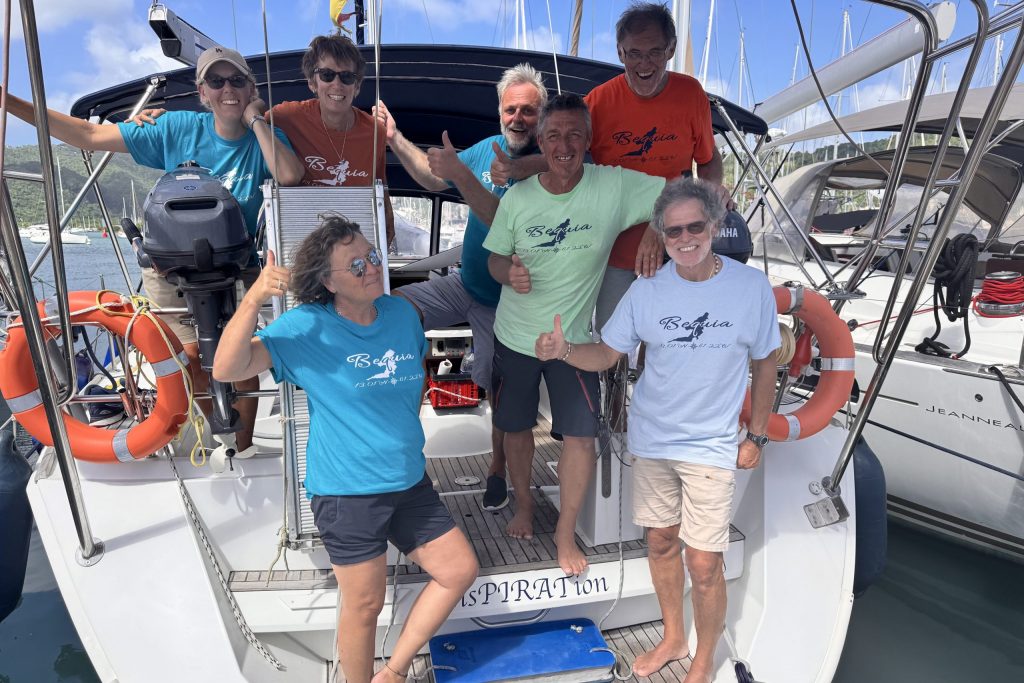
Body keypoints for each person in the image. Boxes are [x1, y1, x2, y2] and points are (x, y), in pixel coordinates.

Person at [212, 215, 477, 683]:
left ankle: (393, 672)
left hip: (408, 482)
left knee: (458, 570)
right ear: (328, 282)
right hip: (347, 492)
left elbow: (412, 379)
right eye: (356, 265)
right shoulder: (305, 327)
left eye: (372, 256)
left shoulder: (400, 313)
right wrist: (253, 299)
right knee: (365, 604)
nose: (372, 268)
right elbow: (227, 369)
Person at [535, 178, 780, 682]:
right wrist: (564, 351)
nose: (685, 239)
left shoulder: (750, 288)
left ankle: (703, 659)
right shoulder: (647, 290)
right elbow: (608, 354)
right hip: (652, 441)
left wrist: (756, 436)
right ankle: (673, 637)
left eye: (695, 227)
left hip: (711, 446)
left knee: (705, 563)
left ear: (714, 226)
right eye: (673, 231)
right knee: (661, 542)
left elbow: (766, 363)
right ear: (661, 235)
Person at [4, 47, 305, 453]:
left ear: (251, 88)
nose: (227, 90)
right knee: (190, 358)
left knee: (240, 354)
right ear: (202, 92)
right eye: (216, 82)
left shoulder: (265, 138)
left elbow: (290, 174)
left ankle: (243, 444)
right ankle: (220, 438)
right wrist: (9, 102)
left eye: (237, 81)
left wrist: (255, 120)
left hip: (237, 264)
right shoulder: (176, 128)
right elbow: (87, 136)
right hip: (171, 268)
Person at [484, 93, 666, 576]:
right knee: (516, 428)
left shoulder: (614, 186)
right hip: (516, 337)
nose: (563, 146)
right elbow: (494, 258)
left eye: (573, 136)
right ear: (541, 142)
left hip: (574, 343)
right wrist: (508, 273)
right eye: (553, 136)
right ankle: (525, 506)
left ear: (588, 141)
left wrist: (655, 229)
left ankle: (565, 533)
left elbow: (676, 192)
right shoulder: (518, 198)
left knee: (581, 437)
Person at [372, 63, 548, 512]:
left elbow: (504, 223)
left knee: (498, 390)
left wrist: (512, 169)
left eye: (528, 110)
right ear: (499, 111)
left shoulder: (555, 167)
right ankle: (400, 428)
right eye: (511, 109)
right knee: (388, 308)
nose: (518, 118)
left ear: (542, 115)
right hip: (463, 283)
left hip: (506, 305)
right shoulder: (485, 149)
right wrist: (394, 137)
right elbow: (434, 177)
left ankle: (496, 470)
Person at [134, 35, 395, 245]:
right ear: (312, 82)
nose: (337, 84)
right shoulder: (286, 117)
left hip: (356, 249)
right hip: (306, 249)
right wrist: (159, 121)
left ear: (357, 86)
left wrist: (385, 242)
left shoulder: (374, 131)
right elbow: (247, 119)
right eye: (327, 75)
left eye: (347, 77)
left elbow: (380, 191)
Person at [586, 1, 730, 334]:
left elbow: (708, 160)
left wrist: (712, 194)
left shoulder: (690, 94)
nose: (644, 64)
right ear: (620, 52)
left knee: (673, 339)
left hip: (678, 247)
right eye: (634, 54)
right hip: (615, 252)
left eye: (655, 53)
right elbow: (569, 163)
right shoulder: (596, 103)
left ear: (671, 50)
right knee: (610, 339)